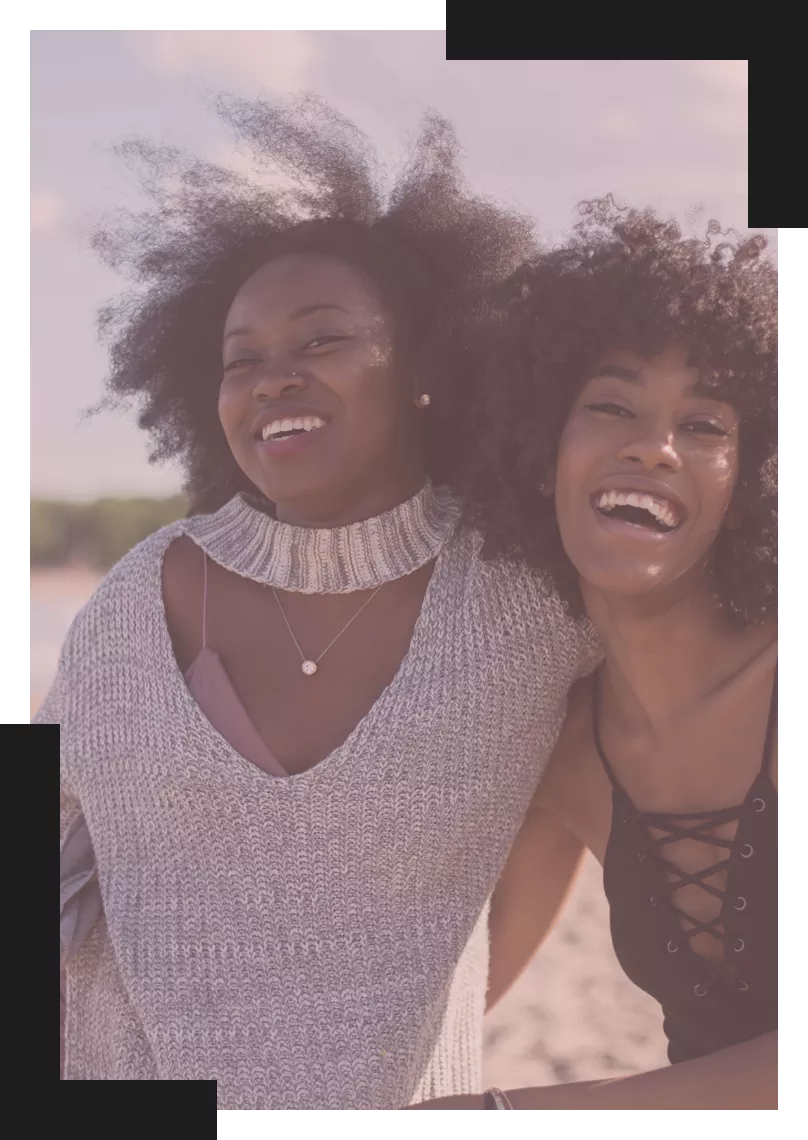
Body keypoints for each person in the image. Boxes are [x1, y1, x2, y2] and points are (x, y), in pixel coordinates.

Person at [43, 95, 600, 1106]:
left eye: (321, 341)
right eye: (240, 360)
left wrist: (408, 1045)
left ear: (427, 367)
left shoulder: (530, 605)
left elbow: (566, 818)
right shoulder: (136, 601)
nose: (272, 380)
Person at [410, 200, 777, 1110]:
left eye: (705, 427)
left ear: (751, 477)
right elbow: (438, 1001)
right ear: (542, 453)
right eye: (612, 406)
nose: (653, 447)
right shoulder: (563, 754)